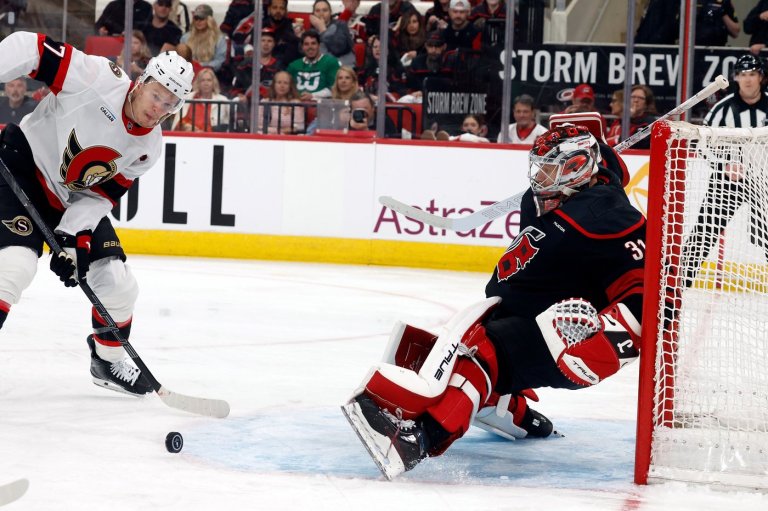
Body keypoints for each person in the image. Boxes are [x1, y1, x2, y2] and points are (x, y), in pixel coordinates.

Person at [342, 123, 644, 479]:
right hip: (521, 312)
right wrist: (602, 154)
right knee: (447, 350)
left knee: (483, 354)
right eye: (539, 165)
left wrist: (599, 338)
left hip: (563, 336)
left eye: (548, 166)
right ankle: (511, 412)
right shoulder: (549, 199)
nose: (539, 175)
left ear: (576, 166)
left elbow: (642, 296)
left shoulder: (611, 217)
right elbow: (609, 172)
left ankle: (419, 440)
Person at [0, 32, 193, 396]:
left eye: (170, 105)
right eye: (157, 95)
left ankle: (106, 361)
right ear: (141, 82)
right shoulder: (98, 79)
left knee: (118, 285)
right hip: (20, 170)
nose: (159, 109)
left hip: (68, 200)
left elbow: (101, 194)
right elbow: (32, 47)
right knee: (13, 268)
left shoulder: (148, 147)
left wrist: (75, 236)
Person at [682, 54, 768, 286]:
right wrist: (724, 164)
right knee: (704, 232)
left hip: (763, 182)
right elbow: (701, 144)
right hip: (725, 183)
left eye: (752, 74)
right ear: (736, 78)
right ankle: (677, 283)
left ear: (761, 77)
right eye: (743, 75)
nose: (748, 80)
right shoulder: (722, 109)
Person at [286, 30, 341, 100]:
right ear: (302, 47)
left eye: (313, 43)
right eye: (306, 44)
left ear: (319, 45)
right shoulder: (293, 66)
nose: (310, 47)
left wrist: (313, 95)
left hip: (321, 105)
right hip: (297, 104)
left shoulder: (330, 63)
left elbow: (335, 88)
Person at [173, 67, 230, 131]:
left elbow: (231, 121)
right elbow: (179, 120)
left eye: (209, 80)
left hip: (213, 137)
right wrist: (186, 126)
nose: (206, 83)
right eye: (203, 80)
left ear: (214, 83)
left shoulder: (223, 100)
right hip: (190, 135)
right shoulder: (188, 97)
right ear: (198, 83)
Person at [180, 4, 228, 73]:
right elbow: (180, 59)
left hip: (210, 73)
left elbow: (220, 60)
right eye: (196, 18)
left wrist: (201, 65)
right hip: (188, 73)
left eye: (202, 18)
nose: (198, 21)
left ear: (209, 20)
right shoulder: (185, 37)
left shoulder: (219, 38)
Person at [310, 0, 356, 68]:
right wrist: (299, 38)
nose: (321, 13)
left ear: (330, 12)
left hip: (342, 68)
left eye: (325, 10)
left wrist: (323, 30)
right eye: (317, 11)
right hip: (321, 69)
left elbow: (339, 48)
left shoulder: (340, 25)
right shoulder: (311, 31)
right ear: (313, 14)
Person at [256, 70, 305, 134]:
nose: (282, 86)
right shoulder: (264, 102)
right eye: (279, 82)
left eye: (286, 83)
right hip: (266, 135)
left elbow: (299, 126)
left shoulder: (296, 103)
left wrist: (287, 130)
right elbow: (258, 125)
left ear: (290, 86)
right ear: (274, 85)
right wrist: (278, 131)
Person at [627, 84, 658, 149]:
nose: (636, 100)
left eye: (640, 98)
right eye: (633, 97)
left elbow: (637, 144)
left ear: (646, 103)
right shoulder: (621, 120)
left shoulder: (651, 122)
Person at [422, 113, 490, 142]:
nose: (469, 128)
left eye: (473, 125)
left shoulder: (484, 141)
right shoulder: (460, 137)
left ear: (480, 129)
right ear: (462, 128)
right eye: (466, 125)